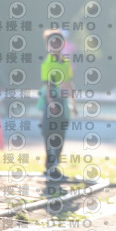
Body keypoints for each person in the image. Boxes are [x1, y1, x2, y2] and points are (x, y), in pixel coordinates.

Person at [38, 29, 77, 180]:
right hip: (52, 102)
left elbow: (69, 82)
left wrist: (73, 103)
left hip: (62, 102)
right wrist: (52, 104)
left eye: (57, 43)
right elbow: (48, 86)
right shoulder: (47, 64)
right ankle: (50, 167)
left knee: (60, 134)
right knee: (49, 133)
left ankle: (55, 166)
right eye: (52, 43)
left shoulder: (65, 63)